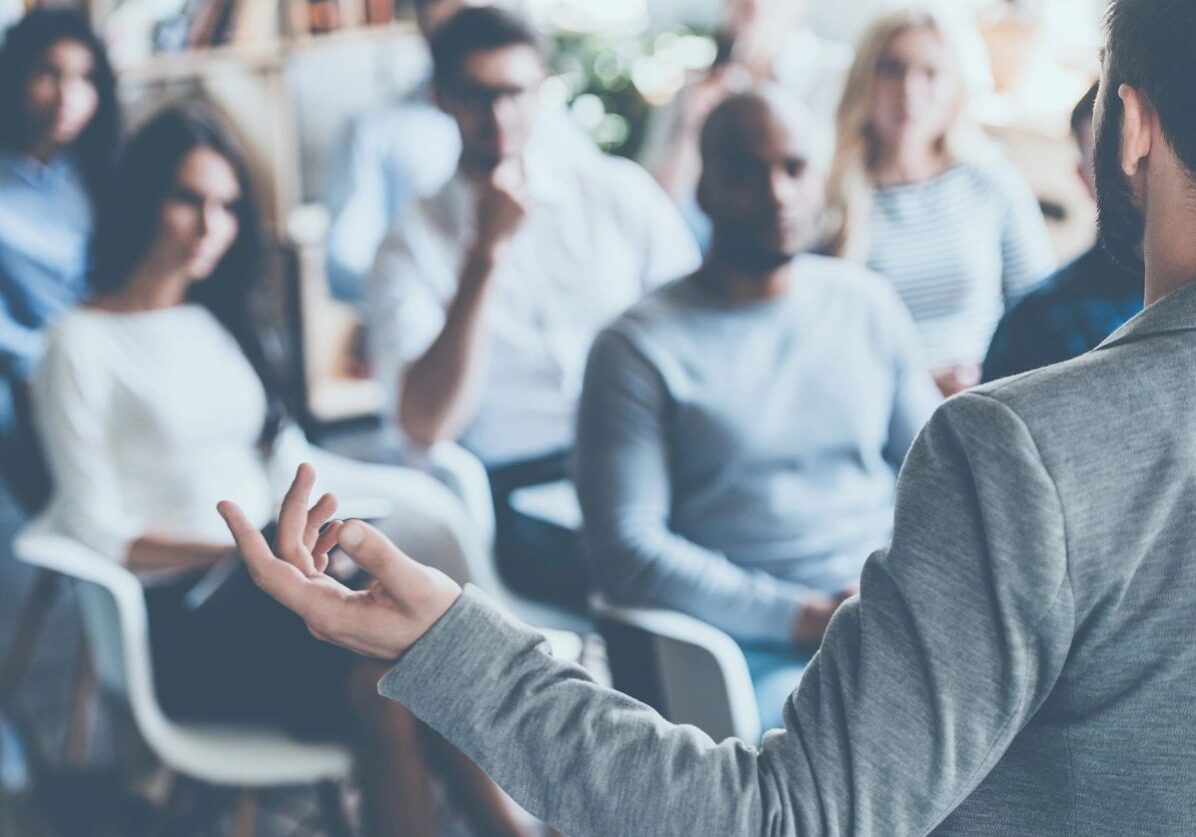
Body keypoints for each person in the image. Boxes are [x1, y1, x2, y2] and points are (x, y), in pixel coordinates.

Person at [223, 0, 1196, 830]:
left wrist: (443, 641)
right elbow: (608, 533)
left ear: (1127, 125)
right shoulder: (624, 337)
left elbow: (786, 818)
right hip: (619, 540)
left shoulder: (1001, 440)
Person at [32, 107, 535, 837]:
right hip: (178, 624)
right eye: (188, 199)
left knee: (399, 667)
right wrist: (250, 556)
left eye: (228, 206)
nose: (211, 225)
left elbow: (288, 461)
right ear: (142, 199)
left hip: (282, 596)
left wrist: (321, 534)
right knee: (405, 658)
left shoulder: (215, 324)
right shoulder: (77, 344)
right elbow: (96, 530)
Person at [577, 90, 940, 734]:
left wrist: (906, 592)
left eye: (794, 168)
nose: (777, 193)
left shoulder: (866, 305)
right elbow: (627, 549)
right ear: (704, 188)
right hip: (744, 650)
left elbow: (942, 474)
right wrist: (800, 616)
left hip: (890, 614)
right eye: (746, 171)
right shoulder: (636, 347)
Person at [369, 6, 700, 608]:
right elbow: (425, 422)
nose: (498, 118)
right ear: (442, 98)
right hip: (525, 483)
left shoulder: (615, 193)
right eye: (476, 96)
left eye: (514, 94)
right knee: (653, 555)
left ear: (542, 88)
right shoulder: (411, 242)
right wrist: (484, 257)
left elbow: (701, 328)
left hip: (651, 453)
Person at [828, 6, 1056, 396]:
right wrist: (917, 384)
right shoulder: (833, 197)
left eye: (930, 73)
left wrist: (991, 376)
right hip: (873, 400)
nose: (908, 91)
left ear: (955, 87)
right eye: (891, 69)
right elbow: (822, 341)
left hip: (984, 396)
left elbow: (1042, 308)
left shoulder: (991, 181)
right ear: (864, 78)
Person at [324, 0, 595, 301]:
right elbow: (344, 261)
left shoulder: (542, 115)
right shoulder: (374, 131)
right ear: (420, 21)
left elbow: (596, 206)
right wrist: (408, 290)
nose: (498, 117)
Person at [0, 9, 119, 509]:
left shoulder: (100, 172)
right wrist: (34, 364)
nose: (68, 96)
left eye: (84, 78)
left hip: (104, 348)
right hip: (24, 367)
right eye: (49, 73)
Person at [640, 0, 852, 248]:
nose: (753, 3)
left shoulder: (832, 74)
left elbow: (827, 191)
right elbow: (653, 203)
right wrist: (691, 128)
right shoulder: (695, 87)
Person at [982, 82, 1144, 382]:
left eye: (1143, 152)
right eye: (1108, 161)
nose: (1131, 171)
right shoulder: (1037, 322)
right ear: (1083, 178)